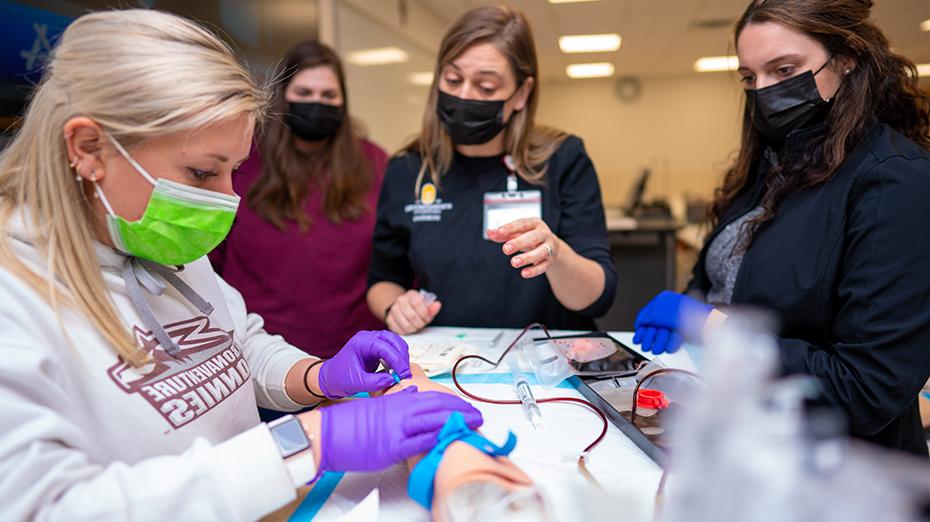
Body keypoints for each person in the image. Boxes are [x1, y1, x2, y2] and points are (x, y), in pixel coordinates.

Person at [0, 10, 481, 521]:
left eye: (233, 171)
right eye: (203, 172)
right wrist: (310, 442)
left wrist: (318, 377)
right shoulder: (16, 298)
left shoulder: (154, 240)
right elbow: (47, 508)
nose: (227, 199)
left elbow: (235, 344)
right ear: (89, 148)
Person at [633, 0, 930, 455]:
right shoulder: (774, 162)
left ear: (846, 60)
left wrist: (713, 328)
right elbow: (720, 279)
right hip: (738, 431)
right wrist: (691, 307)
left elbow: (867, 390)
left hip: (834, 471)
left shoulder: (893, 181)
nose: (764, 91)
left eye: (784, 69)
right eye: (750, 78)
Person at [367, 5, 616, 335]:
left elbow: (598, 296)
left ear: (521, 94)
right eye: (452, 79)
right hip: (446, 361)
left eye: (485, 87)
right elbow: (383, 280)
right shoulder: (408, 170)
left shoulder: (562, 159)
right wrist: (397, 307)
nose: (464, 96)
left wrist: (556, 255)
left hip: (548, 363)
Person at [210, 40, 387, 358]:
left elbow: (395, 252)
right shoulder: (243, 160)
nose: (316, 103)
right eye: (304, 93)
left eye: (328, 95)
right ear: (283, 96)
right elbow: (211, 255)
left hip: (356, 351)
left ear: (343, 101)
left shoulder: (373, 163)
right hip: (260, 350)